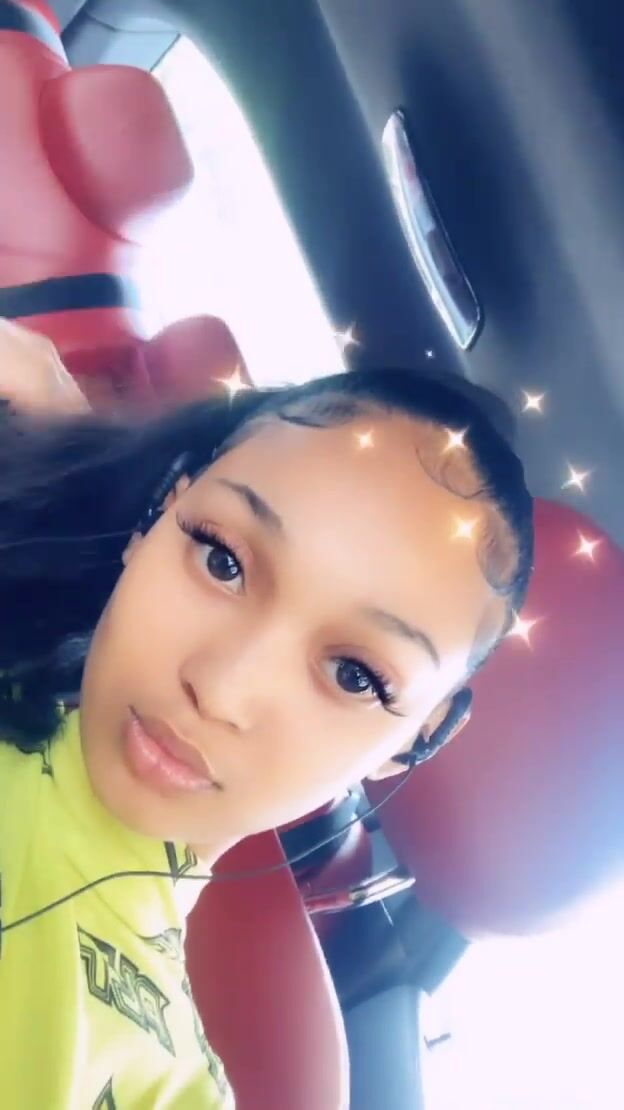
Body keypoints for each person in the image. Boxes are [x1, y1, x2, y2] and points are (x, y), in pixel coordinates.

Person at [0, 322, 533, 1107]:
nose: (220, 690)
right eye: (222, 560)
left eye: (354, 675)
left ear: (417, 740)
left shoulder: (169, 1088)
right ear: (159, 514)